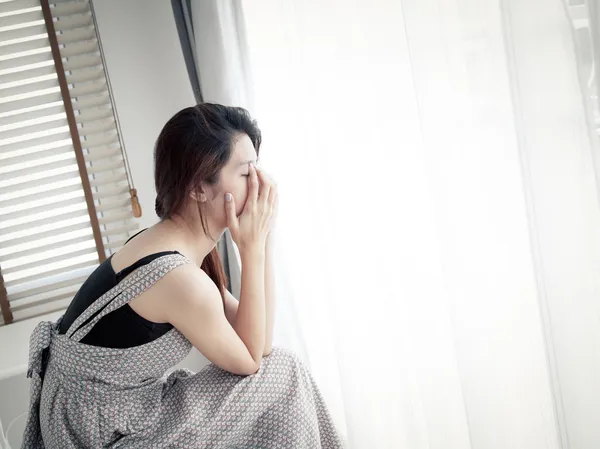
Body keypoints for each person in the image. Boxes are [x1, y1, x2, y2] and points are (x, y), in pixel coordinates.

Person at [22, 104, 343, 448]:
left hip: (110, 413)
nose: (262, 185)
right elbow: (252, 360)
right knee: (285, 373)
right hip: (100, 434)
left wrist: (262, 238)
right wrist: (251, 249)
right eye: (247, 172)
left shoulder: (173, 247)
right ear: (199, 188)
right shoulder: (179, 279)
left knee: (281, 368)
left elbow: (258, 342)